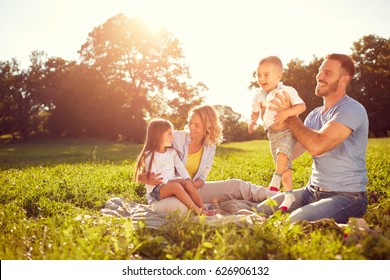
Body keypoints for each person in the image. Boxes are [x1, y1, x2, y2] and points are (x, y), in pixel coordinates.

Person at [256, 53, 369, 224]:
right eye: (320, 71)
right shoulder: (314, 115)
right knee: (262, 210)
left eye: (328, 73)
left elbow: (318, 146)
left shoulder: (351, 109)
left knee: (295, 221)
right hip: (311, 191)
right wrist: (273, 125)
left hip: (347, 197)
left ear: (344, 79)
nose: (319, 76)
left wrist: (289, 116)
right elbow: (290, 154)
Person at [137, 105, 278, 215]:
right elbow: (154, 149)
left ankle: (279, 198)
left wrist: (191, 185)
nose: (191, 128)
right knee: (182, 209)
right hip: (170, 191)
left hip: (193, 189)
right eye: (190, 123)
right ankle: (201, 209)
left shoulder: (210, 147)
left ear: (208, 127)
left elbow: (203, 175)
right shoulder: (176, 138)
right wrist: (144, 177)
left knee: (237, 185)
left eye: (197, 125)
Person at [249, 56, 306, 211]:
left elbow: (301, 106)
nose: (261, 79)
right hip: (272, 135)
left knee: (283, 154)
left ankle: (275, 179)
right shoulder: (259, 95)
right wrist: (252, 121)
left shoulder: (286, 91)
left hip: (287, 131)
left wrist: (286, 112)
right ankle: (289, 195)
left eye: (266, 75)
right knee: (285, 167)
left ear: (279, 76)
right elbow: (254, 112)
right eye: (258, 75)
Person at [134, 118, 215, 216]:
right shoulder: (149, 155)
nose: (172, 136)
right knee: (176, 186)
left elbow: (180, 167)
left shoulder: (172, 152)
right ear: (158, 135)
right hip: (156, 190)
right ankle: (197, 210)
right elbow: (155, 178)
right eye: (169, 134)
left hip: (170, 185)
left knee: (188, 184)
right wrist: (169, 182)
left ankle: (202, 207)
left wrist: (187, 178)